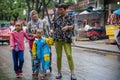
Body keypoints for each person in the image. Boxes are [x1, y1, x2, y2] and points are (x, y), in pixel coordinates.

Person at [50, 3, 77, 80]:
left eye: (61, 9)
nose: (59, 11)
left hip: (67, 39)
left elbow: (73, 26)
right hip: (58, 39)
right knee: (59, 56)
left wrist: (68, 27)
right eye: (58, 9)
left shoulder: (70, 17)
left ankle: (72, 74)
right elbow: (53, 27)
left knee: (69, 55)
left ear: (65, 9)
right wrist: (51, 31)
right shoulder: (56, 17)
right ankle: (59, 72)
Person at [27, 10, 44, 75]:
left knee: (41, 56)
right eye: (33, 14)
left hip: (41, 42)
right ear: (31, 16)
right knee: (33, 56)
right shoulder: (29, 23)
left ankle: (41, 70)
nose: (34, 15)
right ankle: (34, 70)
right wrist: (33, 35)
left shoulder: (41, 22)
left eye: (35, 14)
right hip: (32, 42)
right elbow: (27, 33)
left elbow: (43, 30)